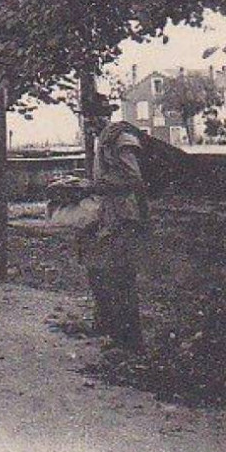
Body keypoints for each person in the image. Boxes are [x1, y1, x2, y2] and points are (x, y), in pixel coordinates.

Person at [78, 107, 148, 349]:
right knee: (102, 271)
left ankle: (131, 341)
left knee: (122, 277)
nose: (90, 126)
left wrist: (97, 186)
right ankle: (115, 332)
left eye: (93, 119)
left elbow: (133, 178)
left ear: (104, 116)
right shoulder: (105, 141)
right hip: (110, 217)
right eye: (86, 121)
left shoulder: (122, 140)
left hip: (125, 217)